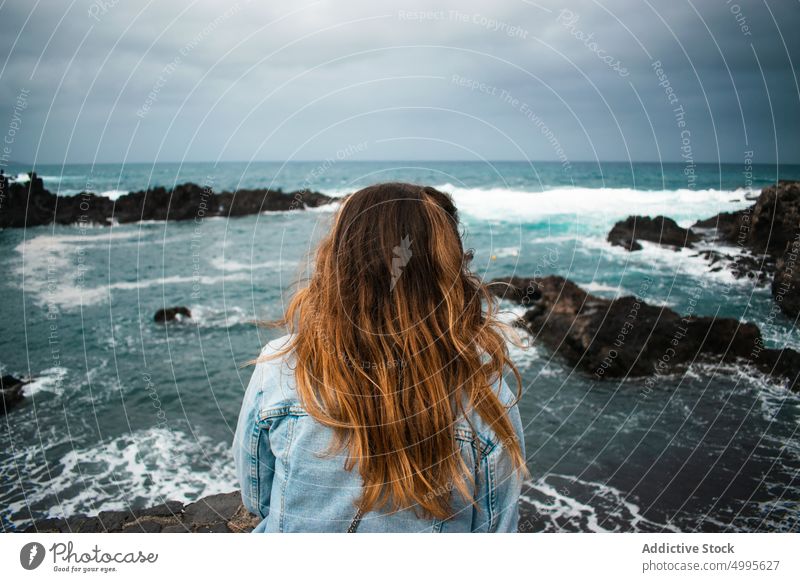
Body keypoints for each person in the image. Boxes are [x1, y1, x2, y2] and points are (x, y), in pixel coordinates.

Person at [232, 182, 529, 532]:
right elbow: (495, 527)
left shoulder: (280, 366)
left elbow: (257, 498)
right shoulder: (484, 391)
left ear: (339, 262)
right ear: (445, 271)